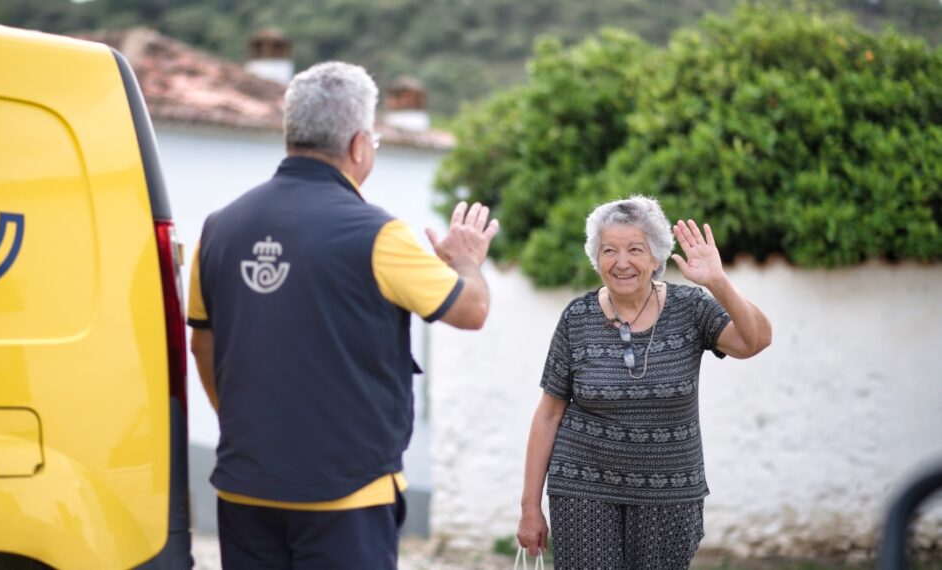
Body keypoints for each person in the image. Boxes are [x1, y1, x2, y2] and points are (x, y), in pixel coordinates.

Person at [187, 61, 499, 569]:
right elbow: (472, 309)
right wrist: (465, 262)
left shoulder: (218, 228)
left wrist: (246, 429)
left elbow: (203, 345)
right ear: (359, 145)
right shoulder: (377, 234)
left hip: (246, 487)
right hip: (347, 495)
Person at [516, 196, 772, 569]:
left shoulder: (690, 308)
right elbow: (548, 414)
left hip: (670, 492)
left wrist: (718, 282)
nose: (621, 262)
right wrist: (530, 508)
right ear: (596, 258)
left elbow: (756, 341)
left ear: (656, 257)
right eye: (609, 250)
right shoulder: (577, 318)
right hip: (584, 486)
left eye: (635, 249)